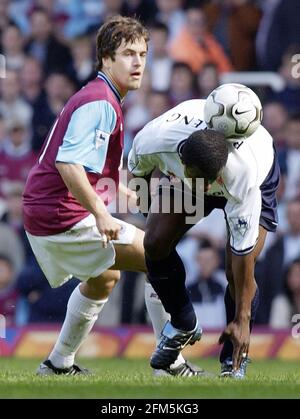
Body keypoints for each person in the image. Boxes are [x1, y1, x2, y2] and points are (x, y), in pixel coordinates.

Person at [22, 15, 202, 378]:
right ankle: (171, 364)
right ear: (105, 59)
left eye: (143, 54)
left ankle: (58, 364)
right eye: (127, 54)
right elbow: (68, 166)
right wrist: (103, 215)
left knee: (105, 278)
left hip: (47, 212)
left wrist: (139, 201)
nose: (138, 62)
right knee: (159, 258)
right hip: (60, 215)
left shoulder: (103, 98)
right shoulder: (101, 102)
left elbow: (95, 177)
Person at [128, 96, 280, 379]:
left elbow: (243, 256)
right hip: (188, 181)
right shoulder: (153, 140)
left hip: (250, 179)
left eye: (211, 180)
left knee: (236, 274)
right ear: (182, 161)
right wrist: (148, 206)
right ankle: (183, 321)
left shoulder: (243, 174)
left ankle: (232, 360)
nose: (208, 187)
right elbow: (138, 175)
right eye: (203, 180)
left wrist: (242, 318)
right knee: (155, 242)